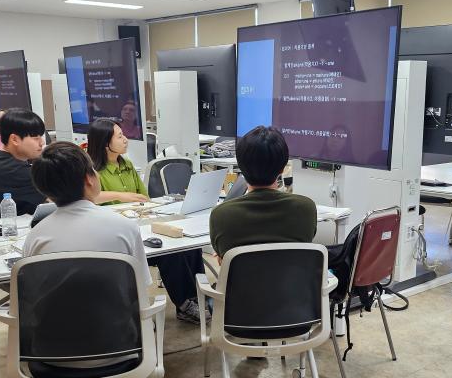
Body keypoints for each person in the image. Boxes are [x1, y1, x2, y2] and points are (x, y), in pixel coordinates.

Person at [24, 141, 151, 378]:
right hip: (120, 350)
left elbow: (33, 299)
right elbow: (141, 292)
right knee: (117, 308)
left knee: (70, 310)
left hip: (52, 355)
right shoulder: (123, 227)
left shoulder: (37, 236)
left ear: (46, 191)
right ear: (89, 179)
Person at [87, 118, 208, 325]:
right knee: (171, 253)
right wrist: (121, 196)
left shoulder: (127, 165)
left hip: (142, 226)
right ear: (105, 143)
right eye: (120, 137)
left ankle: (198, 296)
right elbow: (90, 198)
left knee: (189, 246)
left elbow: (144, 198)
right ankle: (184, 304)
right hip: (119, 237)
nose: (125, 139)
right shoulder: (93, 171)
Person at [209, 125, 317, 259]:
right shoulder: (306, 208)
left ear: (240, 166)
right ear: (283, 168)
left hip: (244, 274)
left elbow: (223, 260)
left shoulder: (221, 215)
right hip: (292, 274)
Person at [0, 108, 46, 220]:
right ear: (14, 139)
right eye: (36, 138)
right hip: (6, 227)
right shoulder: (11, 169)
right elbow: (58, 197)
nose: (42, 142)